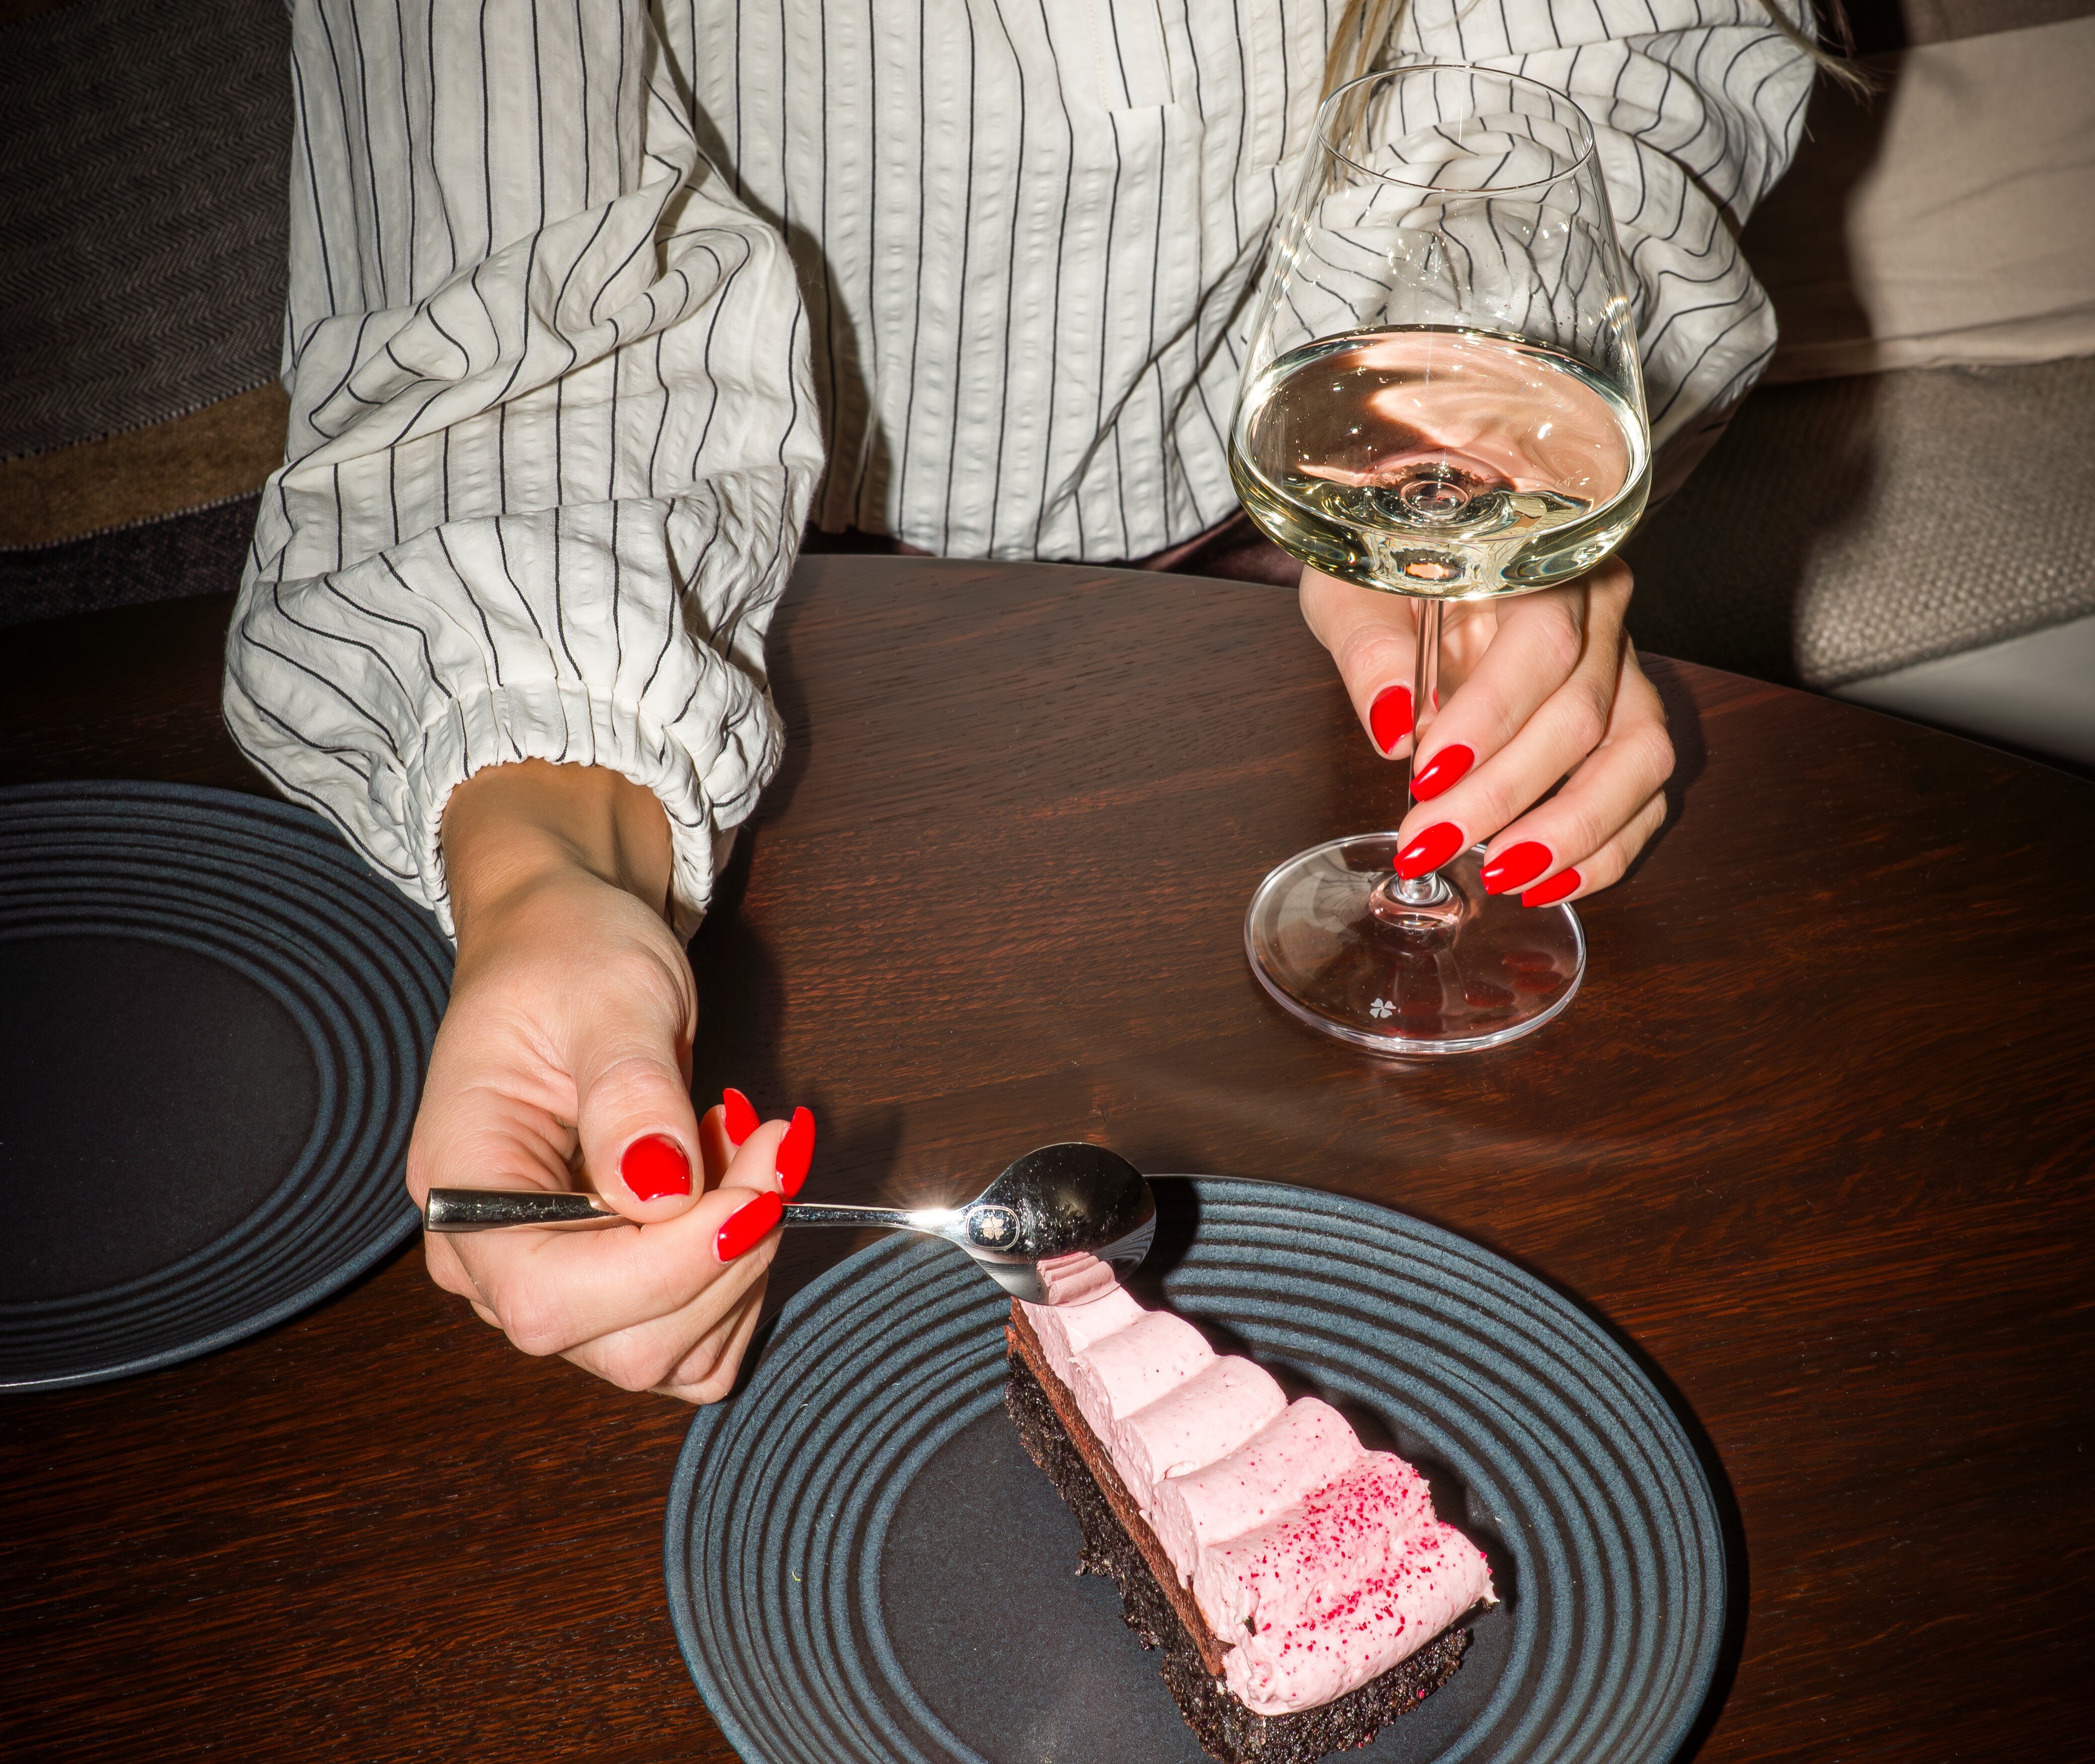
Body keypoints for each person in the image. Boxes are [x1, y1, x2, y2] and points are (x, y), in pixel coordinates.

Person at [223, 0, 1820, 1400]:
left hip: (1279, 603)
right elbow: (498, 305)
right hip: (706, 635)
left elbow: (1586, 58)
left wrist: (1456, 434)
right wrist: (547, 868)